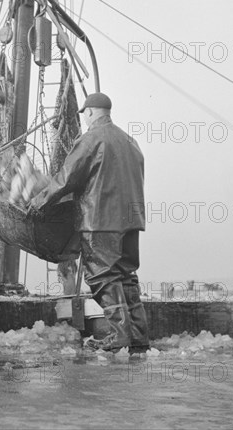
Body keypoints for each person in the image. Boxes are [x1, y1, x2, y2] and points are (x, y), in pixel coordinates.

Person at [29, 93, 149, 353]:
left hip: (100, 220)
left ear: (91, 112)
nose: (84, 118)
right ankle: (139, 335)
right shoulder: (131, 142)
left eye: (85, 113)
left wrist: (39, 201)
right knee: (126, 276)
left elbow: (66, 178)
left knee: (103, 277)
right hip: (131, 221)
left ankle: (119, 336)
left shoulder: (90, 140)